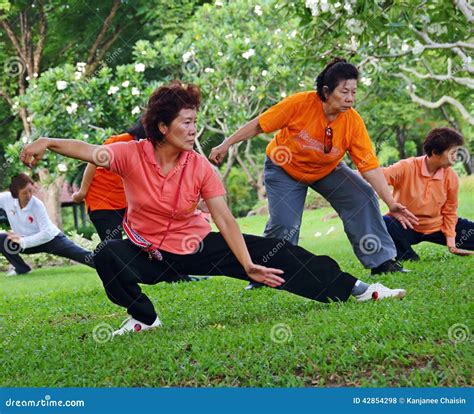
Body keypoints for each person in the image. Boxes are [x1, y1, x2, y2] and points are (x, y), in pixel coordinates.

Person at [21, 81, 407, 337]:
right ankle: (144, 318)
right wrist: (46, 141)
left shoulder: (200, 166)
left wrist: (248, 263)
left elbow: (224, 218)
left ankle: (359, 289)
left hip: (196, 245)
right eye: (186, 123)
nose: (194, 130)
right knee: (107, 254)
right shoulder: (130, 155)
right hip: (148, 253)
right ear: (161, 127)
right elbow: (87, 150)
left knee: (277, 254)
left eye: (195, 122)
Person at [209, 57, 418, 289]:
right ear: (326, 91)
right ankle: (265, 274)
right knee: (285, 224)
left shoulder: (353, 122)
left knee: (362, 196)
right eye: (344, 91)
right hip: (284, 169)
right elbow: (260, 124)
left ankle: (382, 262)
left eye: (354, 92)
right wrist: (225, 144)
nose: (350, 98)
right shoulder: (300, 103)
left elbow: (369, 166)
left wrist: (391, 202)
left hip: (326, 170)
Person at [70, 119, 200, 283]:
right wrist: (82, 192)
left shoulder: (155, 149)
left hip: (129, 201)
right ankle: (123, 284)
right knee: (113, 244)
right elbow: (92, 160)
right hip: (102, 200)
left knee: (158, 236)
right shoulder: (122, 141)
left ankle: (176, 276)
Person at [382, 127, 474, 261]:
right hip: (406, 225)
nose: (456, 157)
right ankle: (408, 257)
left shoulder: (451, 176)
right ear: (435, 153)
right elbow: (377, 176)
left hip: (438, 226)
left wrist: (451, 243)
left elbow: (450, 211)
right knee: (383, 223)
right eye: (452, 153)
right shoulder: (407, 166)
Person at [0, 173, 95, 275]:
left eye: (30, 190)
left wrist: (23, 241)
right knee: (1, 239)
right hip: (23, 242)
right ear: (15, 194)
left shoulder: (37, 205)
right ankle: (22, 269)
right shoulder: (6, 199)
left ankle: (108, 265)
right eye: (24, 193)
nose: (29, 195)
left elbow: (46, 233)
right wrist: (21, 240)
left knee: (80, 254)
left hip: (51, 240)